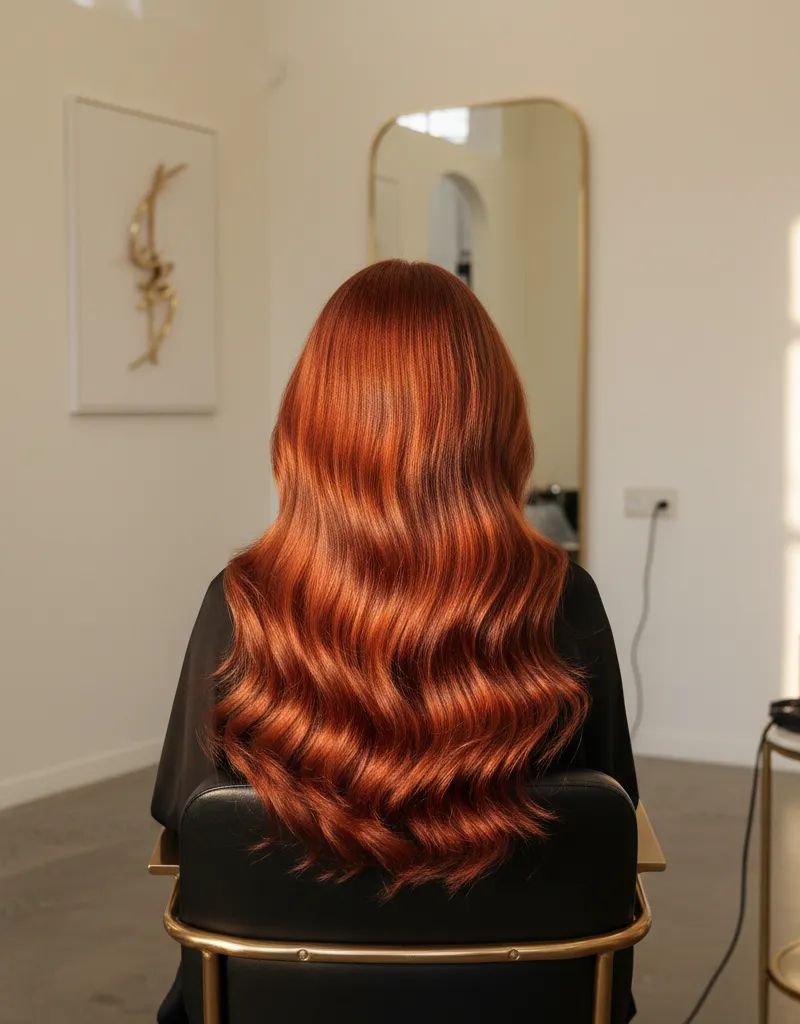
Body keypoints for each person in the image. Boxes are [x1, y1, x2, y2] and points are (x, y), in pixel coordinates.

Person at [151, 259, 638, 1022]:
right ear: (494, 422)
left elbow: (191, 824)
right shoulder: (564, 603)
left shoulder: (239, 603)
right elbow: (607, 828)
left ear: (312, 424)